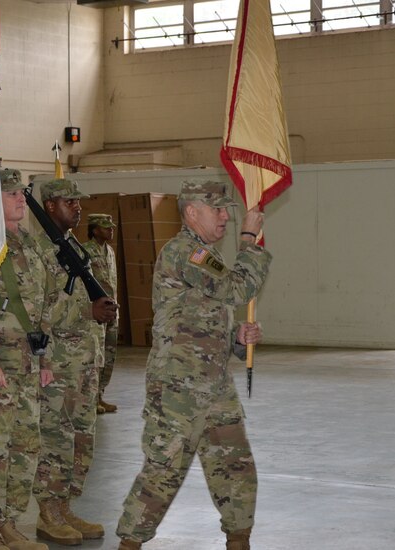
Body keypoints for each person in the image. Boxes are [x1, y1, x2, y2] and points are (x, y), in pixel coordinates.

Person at [115, 180, 271, 550]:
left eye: (226, 210)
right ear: (191, 213)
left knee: (234, 466)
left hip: (214, 384)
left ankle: (238, 539)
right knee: (164, 470)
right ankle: (130, 544)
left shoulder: (205, 254)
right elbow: (237, 289)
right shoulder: (186, 252)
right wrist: (249, 240)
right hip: (179, 387)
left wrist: (236, 340)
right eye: (216, 209)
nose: (225, 216)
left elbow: (204, 318)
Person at [0, 168, 51, 550]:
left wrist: (45, 358)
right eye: (11, 193)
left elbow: (41, 305)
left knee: (25, 445)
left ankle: (11, 524)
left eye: (22, 192)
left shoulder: (30, 243)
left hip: (28, 362)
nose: (21, 199)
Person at [32, 178, 117, 546]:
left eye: (78, 203)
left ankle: (65, 506)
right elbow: (38, 309)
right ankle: (48, 512)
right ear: (49, 206)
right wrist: (88, 310)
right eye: (69, 202)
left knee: (83, 439)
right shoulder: (41, 250)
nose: (77, 208)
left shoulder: (73, 245)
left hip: (85, 360)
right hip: (60, 362)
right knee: (57, 439)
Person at [82, 213, 120, 414]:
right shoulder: (85, 251)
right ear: (95, 229)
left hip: (112, 310)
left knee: (109, 355)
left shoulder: (110, 251)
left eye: (111, 227)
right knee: (96, 356)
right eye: (106, 227)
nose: (110, 230)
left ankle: (101, 394)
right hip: (97, 312)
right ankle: (92, 397)